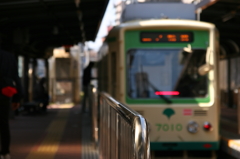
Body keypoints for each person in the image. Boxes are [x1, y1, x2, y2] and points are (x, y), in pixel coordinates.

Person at [0, 49, 23, 159]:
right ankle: (5, 152)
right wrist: (17, 98)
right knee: (4, 123)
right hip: (5, 93)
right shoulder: (9, 56)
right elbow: (16, 77)